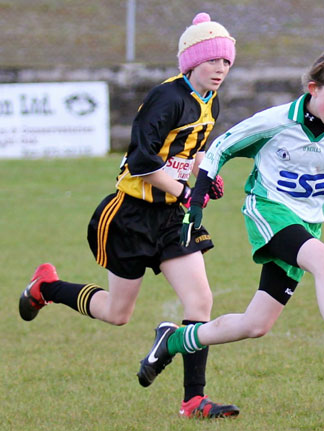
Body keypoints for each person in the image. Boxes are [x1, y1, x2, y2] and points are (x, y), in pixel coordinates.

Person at [138, 50, 324, 394]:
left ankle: (171, 341)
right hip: (269, 212)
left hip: (307, 226)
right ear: (312, 89)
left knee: (256, 324)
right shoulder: (277, 121)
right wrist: (198, 201)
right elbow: (220, 148)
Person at [19, 12, 240, 419]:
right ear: (191, 61)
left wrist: (205, 176)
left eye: (226, 62)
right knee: (117, 314)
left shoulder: (212, 99)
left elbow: (190, 153)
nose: (221, 69)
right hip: (130, 217)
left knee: (200, 300)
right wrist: (187, 189)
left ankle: (194, 400)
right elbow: (141, 162)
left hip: (173, 218)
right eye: (213, 61)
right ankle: (47, 288)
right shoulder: (167, 98)